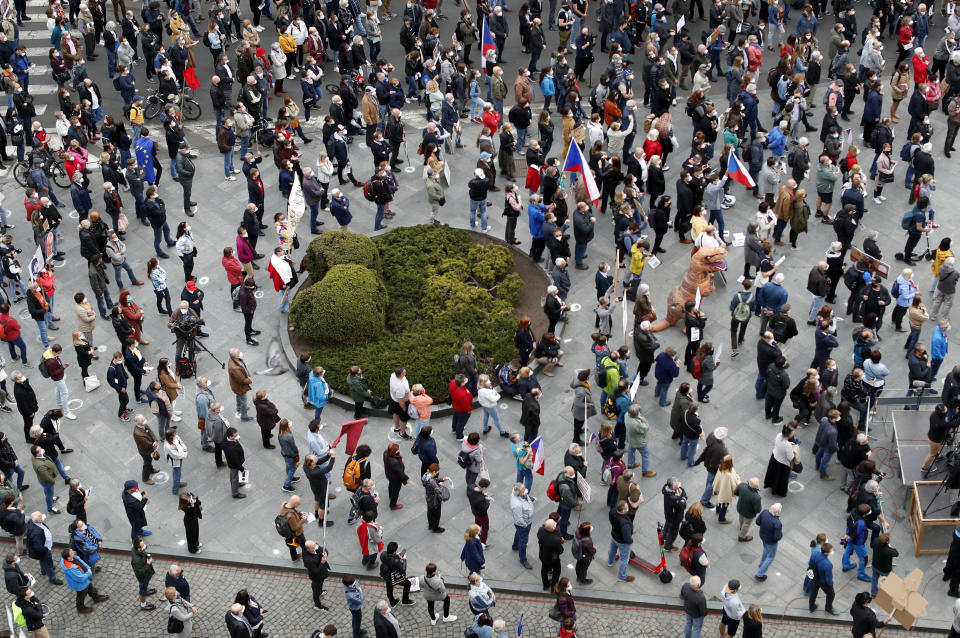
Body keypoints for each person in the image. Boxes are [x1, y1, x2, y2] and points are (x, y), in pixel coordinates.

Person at [59, 547, 107, 613]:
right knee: (81, 596)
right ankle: (80, 608)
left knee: (90, 587)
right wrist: (88, 573)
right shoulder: (71, 569)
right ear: (68, 558)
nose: (73, 552)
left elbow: (81, 562)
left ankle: (96, 597)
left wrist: (88, 568)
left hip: (86, 579)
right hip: (80, 585)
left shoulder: (73, 557)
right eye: (72, 552)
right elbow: (80, 578)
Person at [808, 542, 841, 615]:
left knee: (814, 591)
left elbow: (810, 563)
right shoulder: (828, 564)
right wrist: (830, 585)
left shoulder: (815, 553)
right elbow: (828, 579)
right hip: (823, 582)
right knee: (831, 594)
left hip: (815, 577)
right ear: (827, 553)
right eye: (831, 550)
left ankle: (811, 606)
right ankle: (828, 608)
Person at [754, 503, 783, 581]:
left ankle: (762, 563)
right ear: (778, 512)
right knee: (770, 557)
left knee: (766, 549)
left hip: (762, 536)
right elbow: (777, 537)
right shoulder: (777, 523)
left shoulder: (765, 512)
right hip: (771, 541)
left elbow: (757, 522)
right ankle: (760, 574)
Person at [537, 518, 564, 590]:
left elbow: (539, 537)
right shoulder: (555, 540)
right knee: (557, 570)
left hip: (543, 556)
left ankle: (545, 585)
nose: (555, 526)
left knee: (544, 569)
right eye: (554, 525)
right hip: (553, 559)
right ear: (552, 528)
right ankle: (554, 587)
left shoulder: (540, 530)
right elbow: (561, 551)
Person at [131, 535, 156, 611]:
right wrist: (148, 563)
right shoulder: (137, 560)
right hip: (143, 578)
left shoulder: (136, 550)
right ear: (138, 549)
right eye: (143, 546)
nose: (145, 547)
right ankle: (143, 605)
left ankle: (146, 590)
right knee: (142, 591)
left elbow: (144, 555)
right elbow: (139, 572)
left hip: (146, 576)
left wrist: (147, 556)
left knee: (145, 586)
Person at [734, 477, 762, 542]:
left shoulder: (742, 485)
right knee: (746, 524)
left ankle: (741, 527)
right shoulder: (757, 497)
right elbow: (758, 510)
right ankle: (742, 536)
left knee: (741, 518)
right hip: (749, 514)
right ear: (756, 487)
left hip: (740, 508)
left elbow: (735, 492)